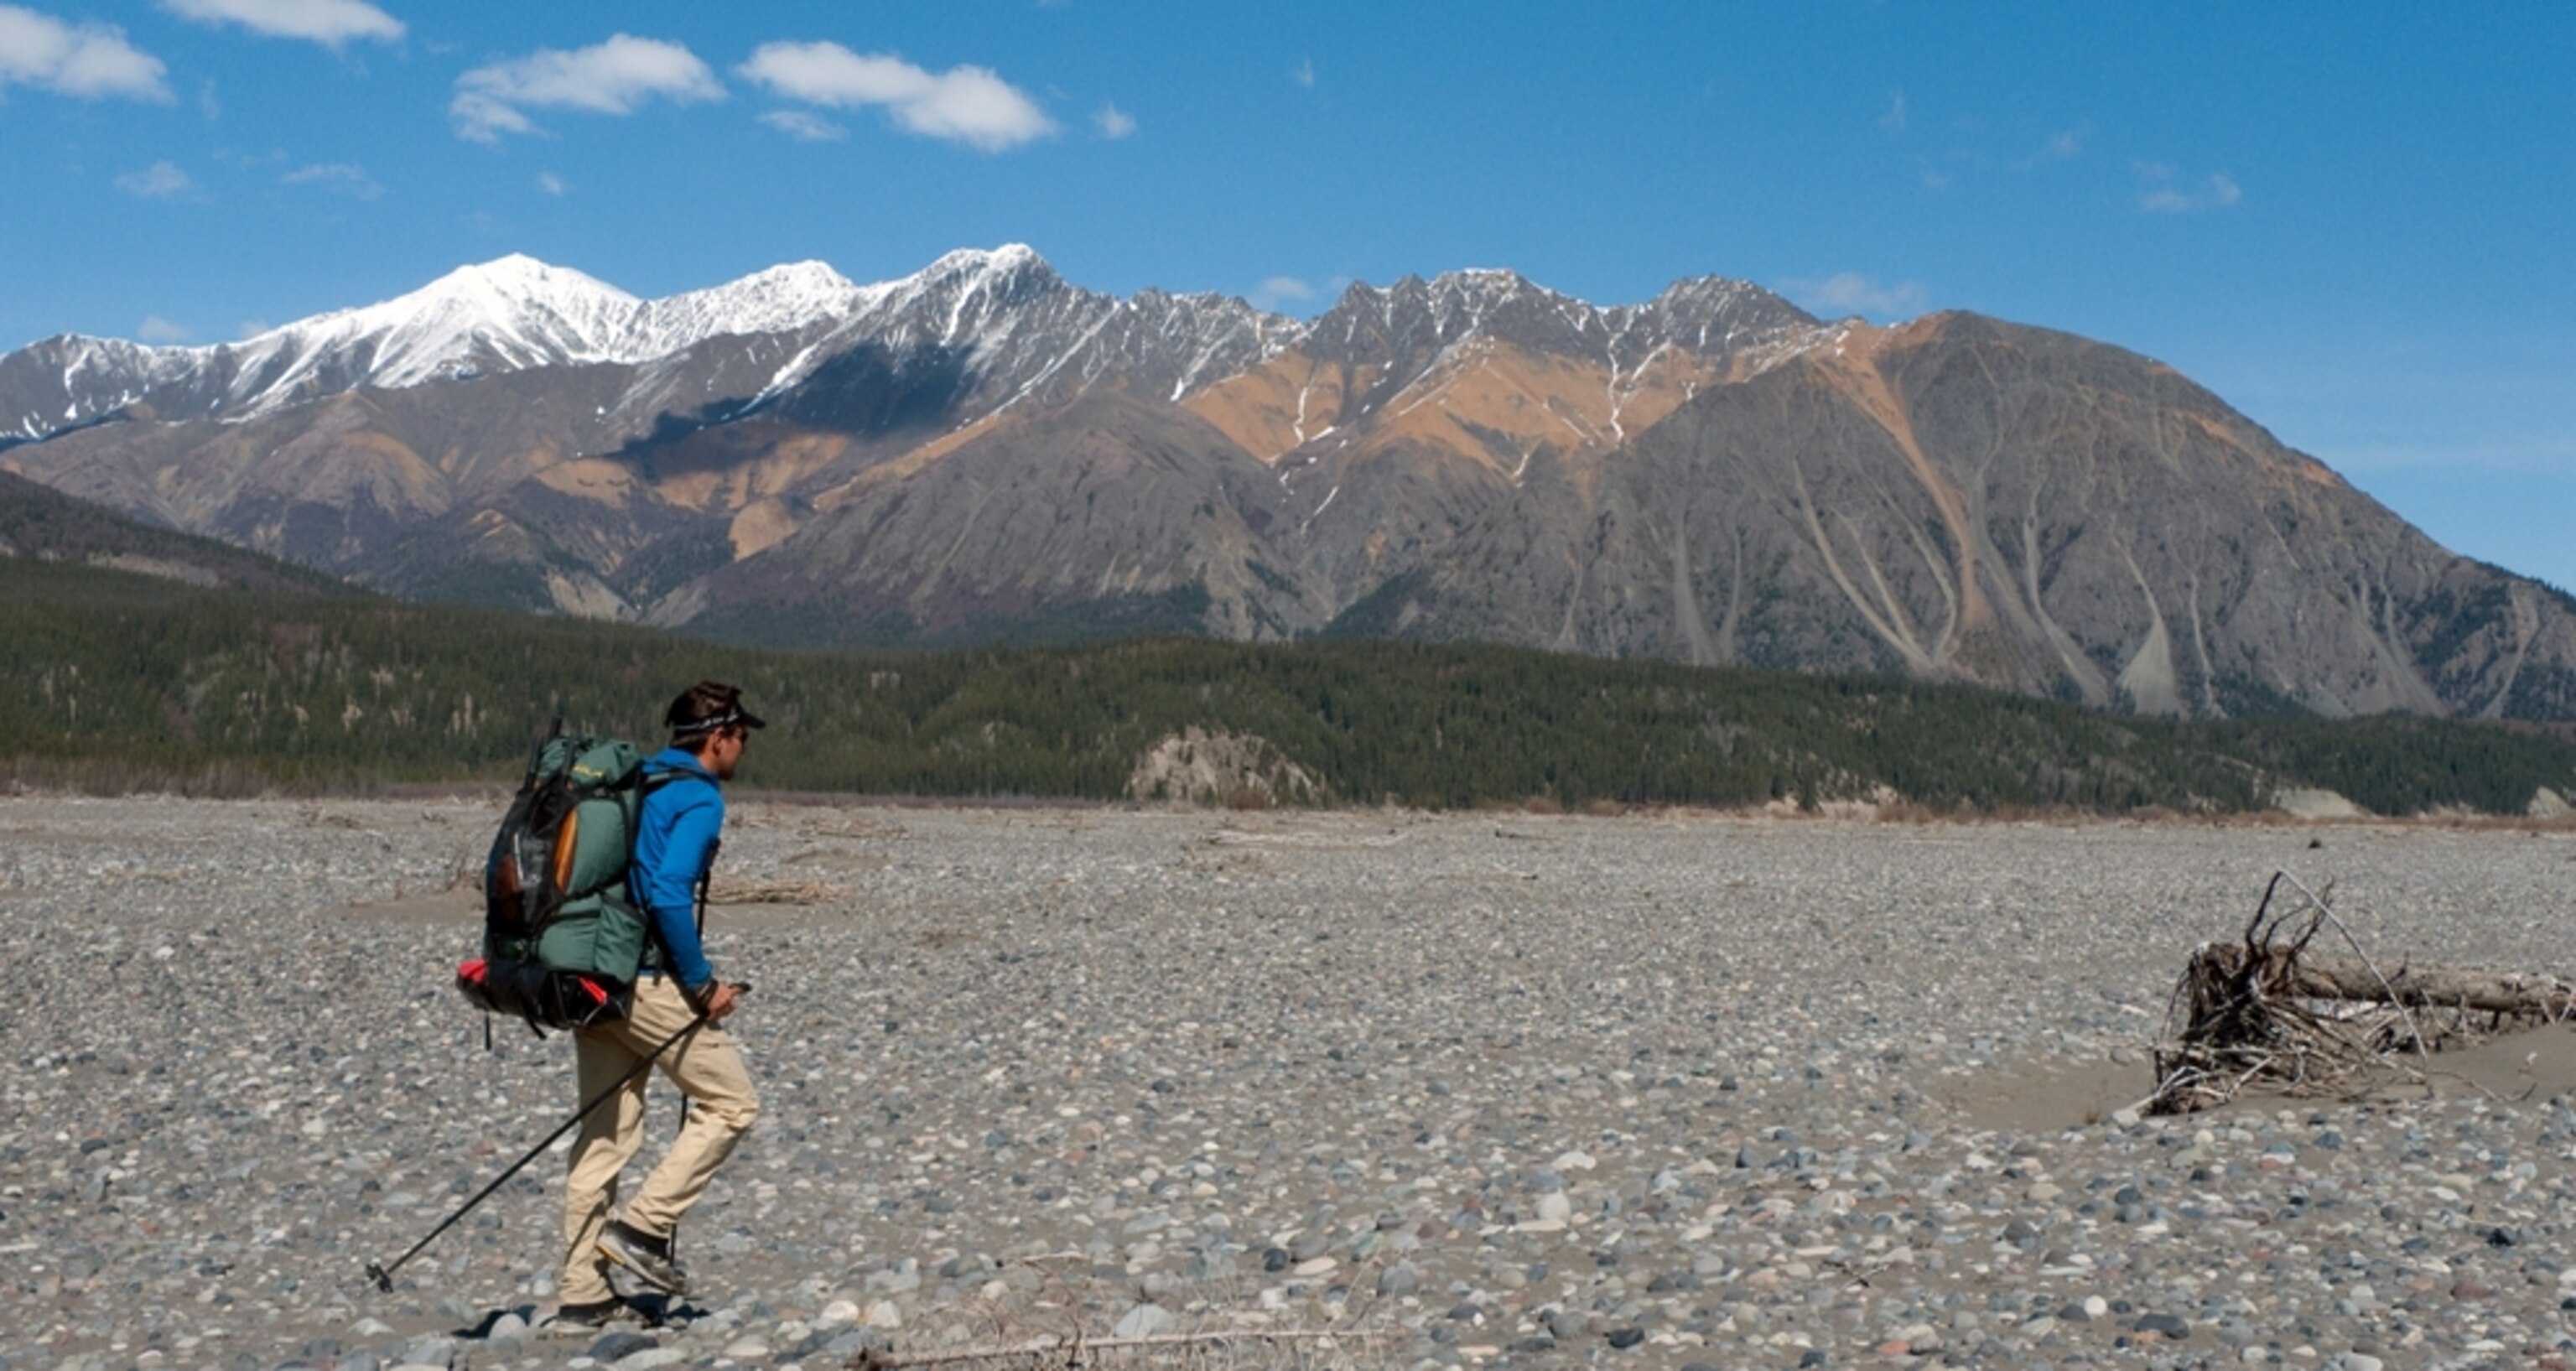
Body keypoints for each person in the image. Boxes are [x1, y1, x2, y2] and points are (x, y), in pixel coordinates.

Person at [555, 681, 765, 1326]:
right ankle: (643, 1228)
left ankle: (581, 1293)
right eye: (741, 736)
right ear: (717, 738)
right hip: (644, 979)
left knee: (604, 1135)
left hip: (592, 973)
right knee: (733, 1103)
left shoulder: (638, 781)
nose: (744, 747)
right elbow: (671, 894)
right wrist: (703, 987)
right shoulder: (699, 797)